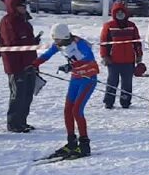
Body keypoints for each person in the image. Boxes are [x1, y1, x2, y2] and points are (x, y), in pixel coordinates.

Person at [34, 23, 100, 159]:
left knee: (77, 110)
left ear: (64, 37)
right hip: (75, 79)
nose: (56, 43)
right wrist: (33, 65)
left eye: (57, 40)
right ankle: (71, 142)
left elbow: (89, 60)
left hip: (88, 79)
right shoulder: (59, 44)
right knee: (67, 110)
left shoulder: (80, 43)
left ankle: (84, 145)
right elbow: (47, 55)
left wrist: (70, 66)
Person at [0, 0, 40, 133]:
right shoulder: (8, 22)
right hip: (16, 65)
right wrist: (27, 46)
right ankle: (13, 123)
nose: (24, 8)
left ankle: (22, 121)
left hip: (29, 63)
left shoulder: (24, 21)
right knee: (18, 94)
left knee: (27, 94)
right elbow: (12, 44)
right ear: (14, 6)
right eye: (22, 6)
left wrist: (33, 43)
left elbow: (26, 41)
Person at [99, 0, 143, 110]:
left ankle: (125, 101)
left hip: (129, 60)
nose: (120, 14)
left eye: (122, 12)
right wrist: (104, 56)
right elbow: (104, 43)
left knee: (127, 83)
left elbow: (137, 42)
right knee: (112, 82)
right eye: (117, 12)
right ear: (114, 13)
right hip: (113, 61)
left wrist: (139, 55)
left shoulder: (132, 26)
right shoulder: (108, 26)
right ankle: (109, 102)